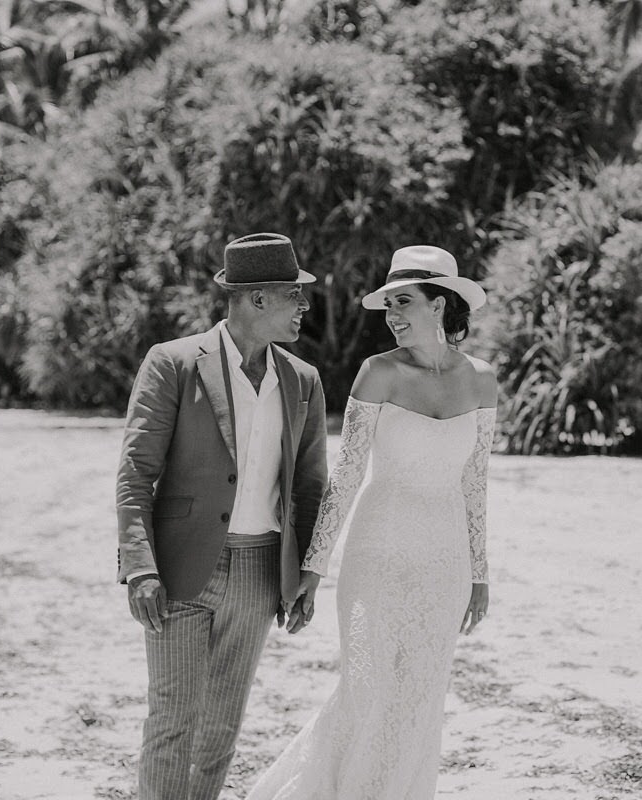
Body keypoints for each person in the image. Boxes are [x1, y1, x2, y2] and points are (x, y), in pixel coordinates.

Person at [246, 244, 497, 799]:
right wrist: (314, 566)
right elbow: (347, 476)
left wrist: (479, 574)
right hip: (376, 554)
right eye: (388, 307)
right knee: (367, 689)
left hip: (445, 561)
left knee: (420, 697)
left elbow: (474, 483)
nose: (393, 317)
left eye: (404, 302)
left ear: (441, 304)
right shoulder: (377, 372)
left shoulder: (481, 380)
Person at [116, 232, 328, 800]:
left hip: (261, 571)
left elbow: (310, 487)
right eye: (294, 295)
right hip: (180, 568)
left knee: (220, 732)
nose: (304, 307)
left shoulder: (302, 380)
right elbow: (136, 472)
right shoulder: (174, 362)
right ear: (257, 299)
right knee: (172, 722)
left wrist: (307, 572)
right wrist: (139, 569)